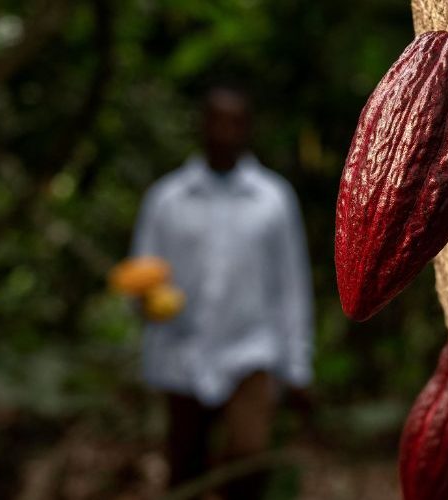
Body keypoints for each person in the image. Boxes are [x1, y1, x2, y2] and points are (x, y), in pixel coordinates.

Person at [130, 86, 314, 499]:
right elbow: (142, 273)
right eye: (216, 120)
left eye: (235, 122)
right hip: (181, 354)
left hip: (251, 353)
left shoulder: (273, 200)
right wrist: (147, 304)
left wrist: (296, 365)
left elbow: (290, 285)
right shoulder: (167, 200)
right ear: (201, 125)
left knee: (248, 464)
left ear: (248, 129)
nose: (225, 131)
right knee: (186, 468)